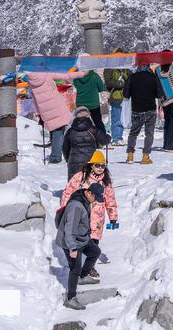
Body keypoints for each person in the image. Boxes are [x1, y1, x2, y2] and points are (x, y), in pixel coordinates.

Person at [59, 151, 118, 279]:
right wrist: (64, 210)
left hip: (97, 218)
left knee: (94, 244)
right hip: (82, 216)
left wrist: (113, 216)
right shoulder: (80, 177)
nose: (100, 168)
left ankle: (89, 268)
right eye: (98, 165)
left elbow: (110, 198)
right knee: (79, 241)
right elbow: (67, 193)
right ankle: (75, 267)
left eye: (103, 165)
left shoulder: (105, 181)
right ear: (91, 165)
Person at [55, 182, 104, 310]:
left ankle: (83, 276)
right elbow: (70, 229)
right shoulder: (76, 206)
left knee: (95, 252)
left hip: (82, 238)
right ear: (89, 193)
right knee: (74, 269)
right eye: (95, 197)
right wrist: (73, 248)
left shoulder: (84, 199)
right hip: (71, 241)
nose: (96, 201)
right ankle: (70, 299)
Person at [27, 71, 87, 164]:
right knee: (58, 130)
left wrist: (39, 112)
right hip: (56, 105)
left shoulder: (30, 79)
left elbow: (34, 98)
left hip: (44, 108)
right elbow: (66, 76)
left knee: (54, 128)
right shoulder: (47, 74)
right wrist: (82, 73)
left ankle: (56, 153)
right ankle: (56, 156)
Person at [122, 64, 162, 164]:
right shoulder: (153, 77)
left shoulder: (132, 77)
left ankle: (130, 155)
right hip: (150, 109)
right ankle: (145, 156)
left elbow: (125, 94)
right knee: (149, 134)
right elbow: (159, 94)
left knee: (133, 133)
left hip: (136, 109)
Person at [62, 107, 111, 180]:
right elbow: (104, 141)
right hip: (91, 160)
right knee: (90, 183)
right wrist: (108, 137)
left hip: (74, 161)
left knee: (73, 185)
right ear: (88, 116)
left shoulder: (70, 131)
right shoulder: (93, 129)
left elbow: (65, 148)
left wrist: (68, 159)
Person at [103, 53, 131, 147]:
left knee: (123, 118)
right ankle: (116, 138)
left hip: (125, 97)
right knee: (116, 118)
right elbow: (108, 82)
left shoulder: (126, 68)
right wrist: (121, 84)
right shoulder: (109, 69)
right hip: (115, 96)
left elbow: (130, 78)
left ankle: (119, 137)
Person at [156, 59, 173, 151]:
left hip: (165, 100)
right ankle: (170, 145)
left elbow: (157, 85)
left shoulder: (158, 70)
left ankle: (166, 143)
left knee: (167, 122)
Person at [73, 69, 107, 137]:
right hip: (93, 104)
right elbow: (101, 88)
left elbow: (76, 85)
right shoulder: (95, 76)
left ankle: (80, 139)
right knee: (98, 123)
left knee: (80, 123)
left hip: (80, 104)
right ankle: (102, 140)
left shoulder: (77, 76)